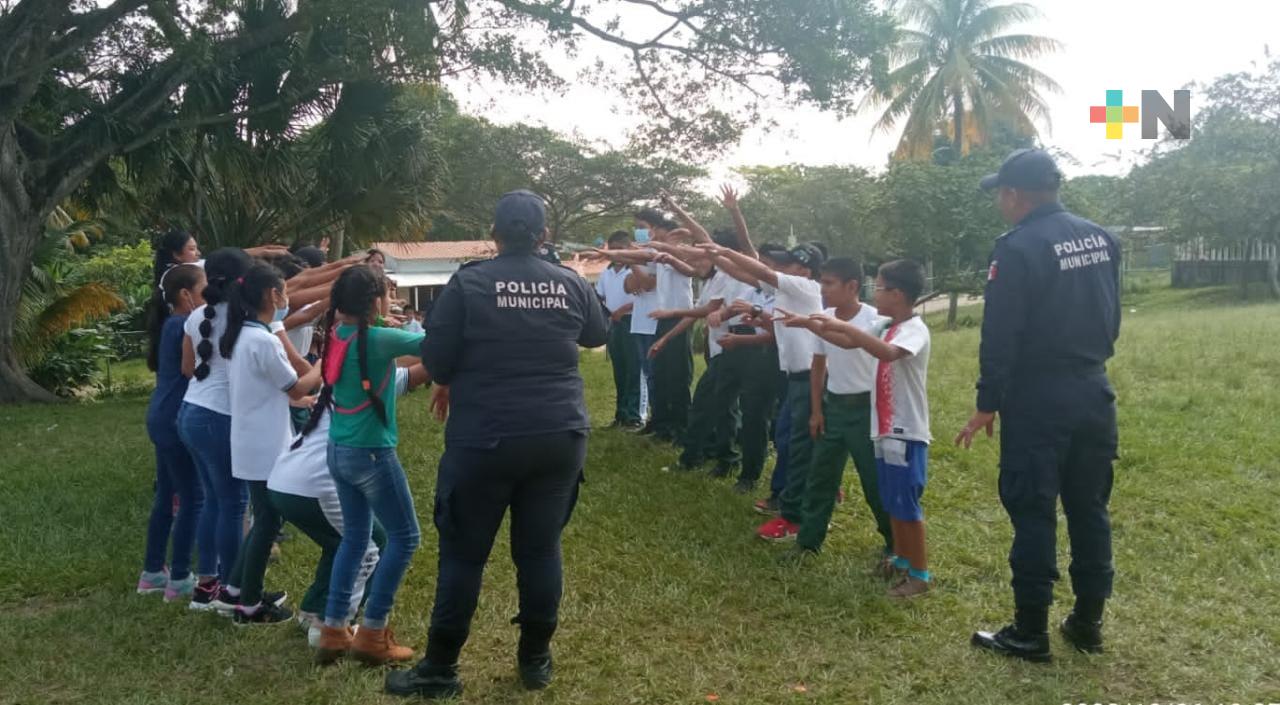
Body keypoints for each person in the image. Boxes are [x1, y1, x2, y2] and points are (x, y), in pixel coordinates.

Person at [385, 190, 607, 699]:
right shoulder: (570, 283)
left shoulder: (470, 283)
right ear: (545, 235)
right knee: (539, 551)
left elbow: (437, 363)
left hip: (485, 437)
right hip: (558, 436)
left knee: (464, 557)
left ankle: (440, 671)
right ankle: (535, 661)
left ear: (494, 233)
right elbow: (596, 336)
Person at [960, 149, 1121, 662]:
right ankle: (1087, 623)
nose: (999, 205)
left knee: (1033, 508)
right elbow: (1110, 315)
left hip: (1039, 398)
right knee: (1089, 507)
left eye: (1000, 196)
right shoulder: (1101, 236)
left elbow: (1001, 333)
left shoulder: (1018, 247)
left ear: (1013, 195)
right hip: (1094, 390)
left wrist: (988, 402)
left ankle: (1029, 631)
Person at [307, 265, 426, 665]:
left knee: (355, 539)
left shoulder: (338, 335)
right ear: (376, 301)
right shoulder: (379, 338)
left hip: (338, 450)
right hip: (372, 453)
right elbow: (434, 345)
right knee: (405, 537)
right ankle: (373, 632)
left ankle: (334, 630)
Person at [269, 363, 430, 644]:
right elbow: (427, 367)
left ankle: (312, 610)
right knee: (369, 548)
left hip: (285, 482)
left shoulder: (343, 380)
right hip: (315, 486)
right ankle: (334, 625)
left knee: (343, 542)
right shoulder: (371, 379)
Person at [804, 260, 933, 598]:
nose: (874, 292)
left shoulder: (912, 329)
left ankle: (919, 576)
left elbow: (889, 354)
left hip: (907, 431)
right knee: (893, 500)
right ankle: (902, 562)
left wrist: (843, 327)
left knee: (906, 506)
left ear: (898, 293)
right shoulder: (887, 324)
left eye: (878, 287)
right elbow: (848, 344)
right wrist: (810, 322)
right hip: (885, 429)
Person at [703, 241, 827, 542]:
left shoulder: (804, 287)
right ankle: (790, 501)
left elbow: (755, 267)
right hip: (795, 377)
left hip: (809, 377)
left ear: (804, 271)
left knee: (798, 444)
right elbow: (745, 273)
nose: (779, 268)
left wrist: (725, 251)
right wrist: (717, 255)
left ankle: (795, 512)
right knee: (787, 438)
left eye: (787, 264)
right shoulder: (787, 290)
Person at [220, 262, 323, 624]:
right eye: (284, 291)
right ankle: (248, 605)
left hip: (253, 438)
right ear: (271, 295)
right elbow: (297, 385)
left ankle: (235, 588)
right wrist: (323, 366)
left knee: (265, 515)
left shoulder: (243, 335)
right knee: (268, 520)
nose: (287, 298)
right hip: (265, 444)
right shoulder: (262, 341)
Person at [774, 257, 892, 564]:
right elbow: (818, 366)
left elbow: (849, 342)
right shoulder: (823, 316)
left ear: (852, 286)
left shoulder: (874, 319)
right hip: (833, 406)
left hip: (865, 409)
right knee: (820, 478)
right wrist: (816, 411)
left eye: (829, 283)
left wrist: (810, 322)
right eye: (822, 282)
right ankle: (808, 542)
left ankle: (895, 542)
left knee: (873, 481)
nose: (823, 289)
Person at [176, 248, 254, 612]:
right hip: (219, 417)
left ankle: (207, 584)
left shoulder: (195, 317)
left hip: (190, 412)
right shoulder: (245, 320)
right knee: (234, 503)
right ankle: (233, 589)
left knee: (213, 500)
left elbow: (188, 368)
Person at [138, 264, 211, 601]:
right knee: (193, 498)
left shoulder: (171, 324)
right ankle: (180, 576)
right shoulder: (186, 324)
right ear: (186, 295)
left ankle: (153, 571)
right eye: (204, 289)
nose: (210, 295)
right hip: (175, 420)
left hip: (161, 416)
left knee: (167, 496)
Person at [595, 230, 642, 429]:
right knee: (620, 370)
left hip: (633, 323)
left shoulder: (635, 270)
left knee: (634, 370)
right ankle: (620, 414)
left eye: (619, 249)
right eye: (612, 250)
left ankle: (634, 415)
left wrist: (623, 309)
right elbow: (600, 296)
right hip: (614, 325)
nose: (616, 254)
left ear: (628, 248)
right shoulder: (606, 271)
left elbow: (643, 297)